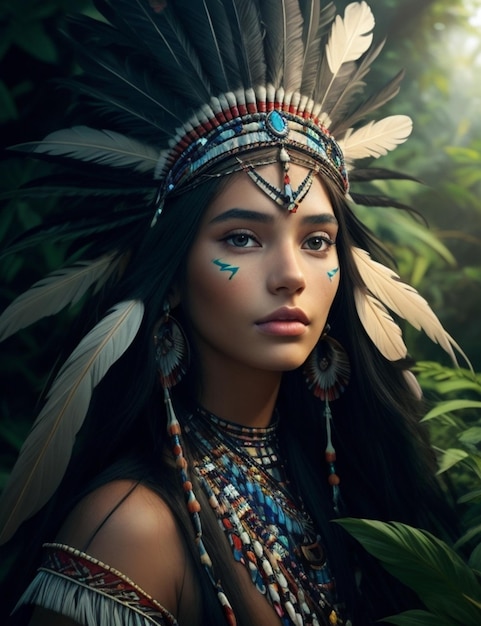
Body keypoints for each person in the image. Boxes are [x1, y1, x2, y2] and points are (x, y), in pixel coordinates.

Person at [0, 1, 468, 625]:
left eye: (317, 240)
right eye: (242, 239)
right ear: (171, 280)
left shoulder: (347, 483)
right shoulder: (131, 530)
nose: (291, 276)